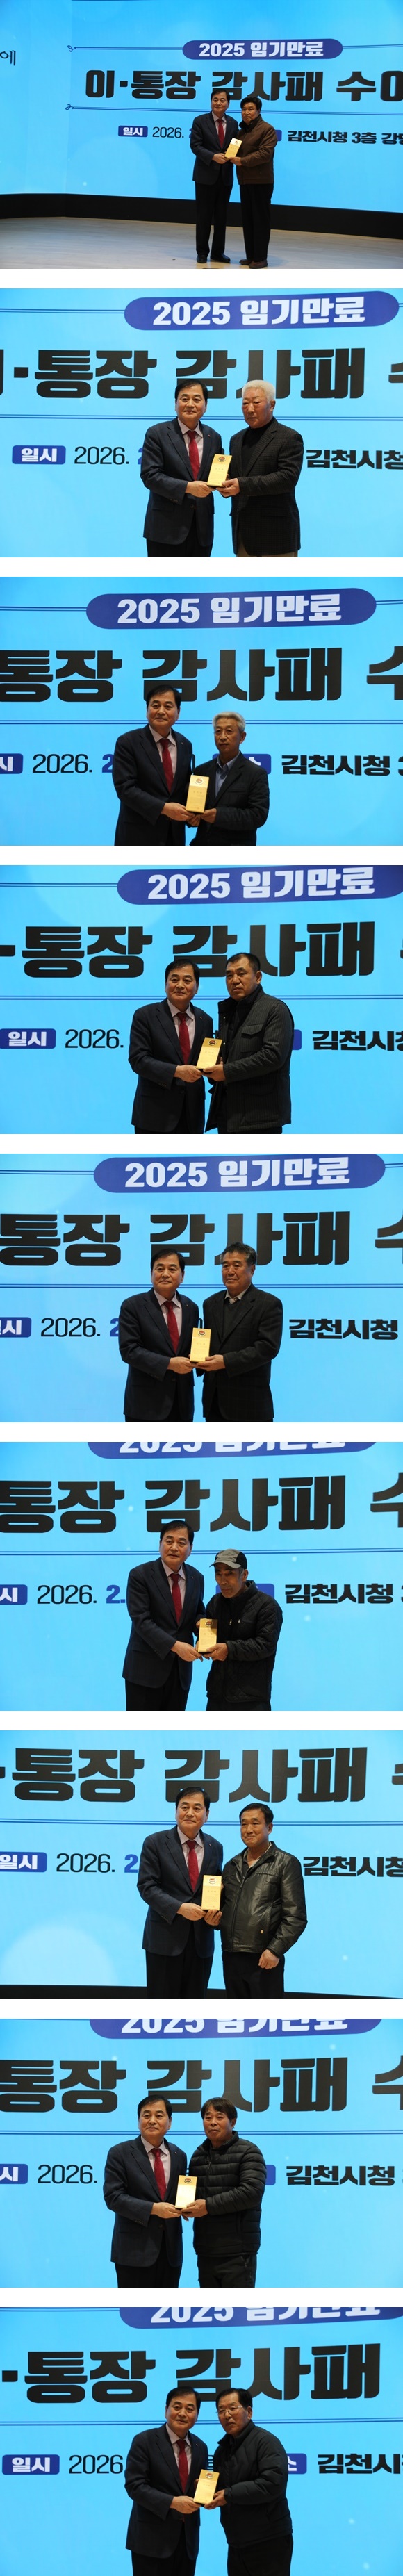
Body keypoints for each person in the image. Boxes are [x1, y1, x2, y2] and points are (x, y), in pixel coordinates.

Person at [137, 1784, 224, 1998]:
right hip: (164, 1940)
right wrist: (180, 1908)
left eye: (197, 1808)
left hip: (201, 1943)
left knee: (194, 2005)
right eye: (184, 1807)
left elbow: (215, 1888)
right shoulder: (155, 1842)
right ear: (176, 1811)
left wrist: (216, 1916)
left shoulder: (215, 1847)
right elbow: (147, 1886)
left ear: (207, 1815)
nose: (190, 1813)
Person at [219, 1798, 307, 1998]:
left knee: (266, 2016)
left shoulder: (285, 1863)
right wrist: (213, 1920)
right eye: (244, 1824)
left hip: (264, 1957)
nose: (248, 1829)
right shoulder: (231, 1866)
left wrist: (275, 1950)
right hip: (231, 1956)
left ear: (270, 1827)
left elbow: (296, 1917)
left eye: (255, 1823)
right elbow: (226, 1910)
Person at [104, 2092, 188, 2288]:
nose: (152, 2120)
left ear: (170, 2122)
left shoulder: (179, 2155)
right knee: (136, 2307)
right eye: (146, 2115)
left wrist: (187, 2207)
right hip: (133, 2252)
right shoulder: (120, 2153)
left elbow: (180, 2194)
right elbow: (113, 2197)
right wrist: (154, 2209)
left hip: (171, 2252)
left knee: (167, 2307)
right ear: (138, 2120)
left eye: (159, 2115)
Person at [206, 951, 294, 1133]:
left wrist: (226, 1072)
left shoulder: (275, 1009)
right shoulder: (227, 1011)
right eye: (229, 976)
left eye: (241, 973)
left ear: (258, 977)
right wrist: (214, 1067)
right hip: (228, 1113)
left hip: (261, 1117)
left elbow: (272, 1057)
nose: (234, 980)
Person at [125, 2386, 208, 2576]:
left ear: (197, 2414)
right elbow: (135, 2486)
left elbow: (199, 2489)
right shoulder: (145, 2441)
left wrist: (208, 2496)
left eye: (190, 2409)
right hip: (151, 2542)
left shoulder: (201, 2447)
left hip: (187, 2542)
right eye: (177, 2407)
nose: (183, 2413)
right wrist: (173, 2502)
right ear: (166, 2410)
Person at [211, 2386, 293, 2576]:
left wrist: (228, 2495)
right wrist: (206, 2490)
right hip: (237, 2542)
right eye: (221, 2411)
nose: (226, 2415)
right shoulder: (221, 2451)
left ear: (249, 2412)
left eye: (233, 2408)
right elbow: (224, 2488)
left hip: (269, 2540)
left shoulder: (266, 2442)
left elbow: (272, 2484)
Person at [123, 1519, 204, 1713]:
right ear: (160, 1544)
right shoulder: (140, 1575)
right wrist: (176, 1646)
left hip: (180, 1673)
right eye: (169, 1541)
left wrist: (201, 1626)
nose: (174, 1547)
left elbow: (197, 1612)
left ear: (191, 1549)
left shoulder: (197, 1577)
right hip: (145, 1672)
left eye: (182, 1543)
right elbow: (142, 1622)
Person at [188, 2095, 266, 2288]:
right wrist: (184, 2206)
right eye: (208, 2117)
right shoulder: (197, 2156)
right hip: (206, 2251)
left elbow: (251, 2192)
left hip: (238, 2252)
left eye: (220, 2117)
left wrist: (208, 2206)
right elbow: (192, 2195)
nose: (213, 2122)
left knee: (236, 2308)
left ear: (233, 2122)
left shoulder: (249, 2152)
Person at [128, 958, 213, 1134]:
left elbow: (204, 1060)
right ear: (165, 984)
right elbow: (138, 1060)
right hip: (154, 1114)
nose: (180, 985)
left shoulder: (205, 1020)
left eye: (187, 980)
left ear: (197, 987)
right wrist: (177, 1071)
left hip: (192, 1113)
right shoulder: (145, 1015)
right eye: (174, 979)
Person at [201, 1240, 283, 1422]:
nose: (230, 1271)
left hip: (250, 1403)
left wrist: (225, 1362)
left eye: (236, 1265)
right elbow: (208, 1342)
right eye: (225, 1266)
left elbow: (267, 1348)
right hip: (214, 1401)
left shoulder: (268, 1304)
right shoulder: (210, 1303)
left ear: (252, 1270)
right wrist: (198, 1358)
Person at [220, 379, 304, 557]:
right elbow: (236, 477)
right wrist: (224, 485)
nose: (250, 409)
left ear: (272, 405)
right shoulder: (236, 439)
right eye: (245, 403)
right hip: (243, 535)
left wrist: (241, 485)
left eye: (256, 402)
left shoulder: (289, 437)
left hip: (276, 536)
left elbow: (287, 478)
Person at [140, 379, 223, 557]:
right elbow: (150, 476)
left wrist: (224, 482)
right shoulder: (157, 434)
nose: (190, 404)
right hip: (165, 529)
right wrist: (188, 487)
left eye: (197, 399)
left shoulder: (214, 437)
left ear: (206, 406)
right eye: (184, 399)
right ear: (176, 404)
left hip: (202, 529)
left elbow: (216, 474)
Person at [118, 1248, 198, 1423]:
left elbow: (193, 1347)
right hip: (145, 1404)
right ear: (151, 1274)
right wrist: (170, 1364)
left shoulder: (191, 1307)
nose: (165, 1274)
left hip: (182, 1403)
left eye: (172, 1269)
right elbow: (129, 1351)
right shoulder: (133, 1306)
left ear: (182, 1276)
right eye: (160, 1269)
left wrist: (199, 1360)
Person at [199, 1549, 282, 1712]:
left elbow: (266, 1645)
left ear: (244, 1575)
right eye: (218, 1574)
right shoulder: (215, 1602)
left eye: (229, 1573)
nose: (223, 1581)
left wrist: (229, 1649)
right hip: (217, 1695)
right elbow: (209, 1635)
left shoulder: (267, 1605)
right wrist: (202, 1643)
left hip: (251, 1698)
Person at [113, 682, 193, 846]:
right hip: (138, 835)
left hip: (174, 836)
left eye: (168, 706)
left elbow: (184, 786)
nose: (161, 711)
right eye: (155, 706)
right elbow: (125, 789)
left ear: (178, 713)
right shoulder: (128, 742)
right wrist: (164, 808)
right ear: (147, 710)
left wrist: (194, 812)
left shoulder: (185, 744)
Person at [190, 713, 269, 847]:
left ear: (242, 737)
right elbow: (194, 808)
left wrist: (219, 816)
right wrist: (191, 819)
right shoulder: (201, 771)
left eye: (229, 731)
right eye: (218, 732)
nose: (222, 737)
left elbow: (258, 815)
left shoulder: (255, 773)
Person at [190, 85, 240, 265]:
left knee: (221, 217)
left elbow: (235, 145)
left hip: (225, 176)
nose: (218, 103)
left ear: (228, 104)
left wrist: (230, 156)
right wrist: (213, 157)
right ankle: (202, 252)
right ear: (211, 102)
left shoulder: (233, 123)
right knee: (204, 216)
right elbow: (195, 146)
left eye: (222, 100)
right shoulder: (200, 121)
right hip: (205, 175)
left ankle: (218, 253)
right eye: (215, 100)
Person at [236, 94, 278, 268]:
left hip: (261, 181)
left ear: (258, 111)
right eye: (244, 109)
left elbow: (265, 154)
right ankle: (251, 255)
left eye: (251, 109)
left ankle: (261, 258)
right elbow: (233, 151)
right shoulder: (242, 131)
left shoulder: (267, 129)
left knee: (260, 220)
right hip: (245, 180)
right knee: (248, 220)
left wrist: (242, 161)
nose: (246, 112)